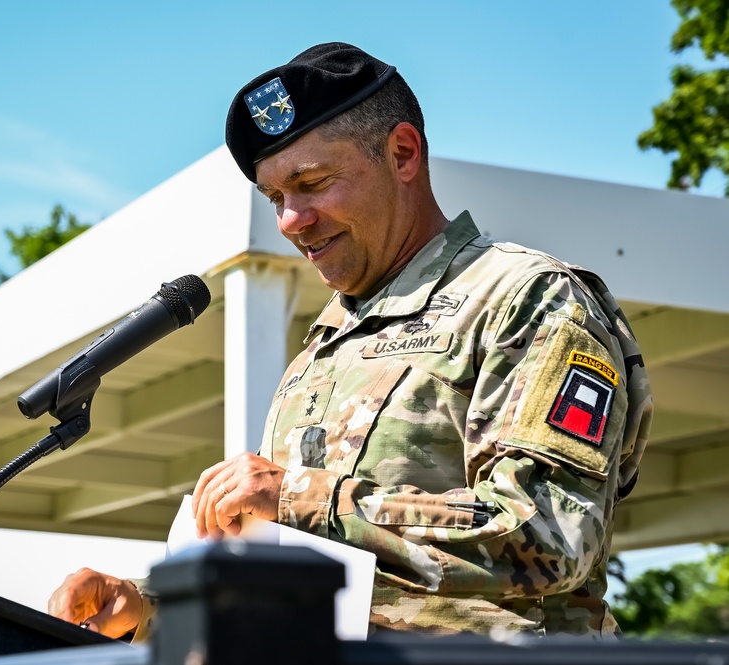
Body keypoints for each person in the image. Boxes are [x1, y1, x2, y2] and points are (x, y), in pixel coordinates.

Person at [48, 42, 651, 639]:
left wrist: (300, 498)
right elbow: (296, 574)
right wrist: (149, 608)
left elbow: (552, 534)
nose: (290, 219)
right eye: (277, 197)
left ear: (403, 153)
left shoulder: (528, 300)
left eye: (312, 181)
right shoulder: (325, 345)